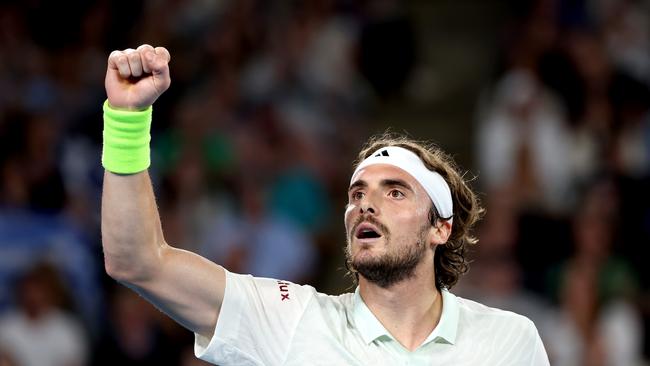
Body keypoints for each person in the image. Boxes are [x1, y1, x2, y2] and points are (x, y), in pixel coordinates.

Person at [101, 44, 550, 365]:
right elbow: (138, 262)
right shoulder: (290, 319)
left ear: (441, 228)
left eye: (394, 191)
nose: (365, 205)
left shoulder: (508, 340)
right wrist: (125, 122)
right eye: (357, 194)